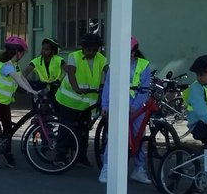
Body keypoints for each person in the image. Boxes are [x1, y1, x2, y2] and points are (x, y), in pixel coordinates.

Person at [97, 37, 153, 184]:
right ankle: (107, 168)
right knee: (114, 137)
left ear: (134, 52)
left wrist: (134, 107)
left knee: (139, 137)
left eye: (128, 53)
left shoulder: (143, 65)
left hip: (137, 107)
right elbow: (108, 87)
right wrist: (105, 105)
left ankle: (138, 169)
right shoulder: (114, 66)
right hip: (118, 104)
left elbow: (145, 89)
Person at [0, 35, 37, 170]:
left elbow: (22, 76)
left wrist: (33, 90)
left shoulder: (15, 65)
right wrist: (29, 90)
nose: (23, 54)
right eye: (22, 51)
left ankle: (7, 152)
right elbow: (17, 80)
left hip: (3, 101)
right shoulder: (6, 66)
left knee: (8, 128)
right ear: (16, 52)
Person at [55, 31, 107, 165]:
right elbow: (71, 73)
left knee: (83, 130)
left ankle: (81, 156)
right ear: (83, 48)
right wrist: (76, 87)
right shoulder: (74, 56)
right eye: (88, 49)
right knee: (66, 129)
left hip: (86, 104)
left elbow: (108, 71)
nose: (91, 52)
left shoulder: (101, 59)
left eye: (95, 50)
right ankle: (60, 157)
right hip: (68, 100)